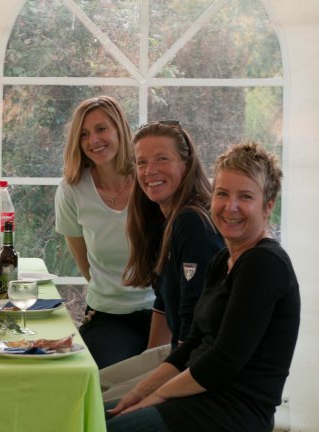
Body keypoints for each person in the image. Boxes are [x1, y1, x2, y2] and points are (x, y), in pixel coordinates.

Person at [106, 141, 300, 432]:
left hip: (231, 414)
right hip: (199, 399)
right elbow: (193, 344)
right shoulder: (222, 260)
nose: (230, 206)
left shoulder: (265, 263)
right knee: (90, 415)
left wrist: (155, 397)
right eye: (222, 193)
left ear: (268, 206)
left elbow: (223, 360)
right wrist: (137, 393)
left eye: (245, 196)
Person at [98, 121, 224, 400]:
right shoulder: (162, 219)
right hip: (177, 351)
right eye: (141, 162)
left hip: (196, 362)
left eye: (162, 159)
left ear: (186, 164)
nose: (149, 171)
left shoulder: (192, 223)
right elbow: (164, 304)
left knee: (97, 402)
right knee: (87, 384)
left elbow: (195, 323)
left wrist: (152, 390)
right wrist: (148, 360)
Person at [55, 96, 155, 369]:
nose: (93, 140)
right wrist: (113, 294)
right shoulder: (72, 189)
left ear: (119, 129)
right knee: (103, 380)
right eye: (84, 134)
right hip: (109, 316)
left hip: (161, 311)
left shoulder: (149, 180)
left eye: (101, 129)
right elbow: (85, 265)